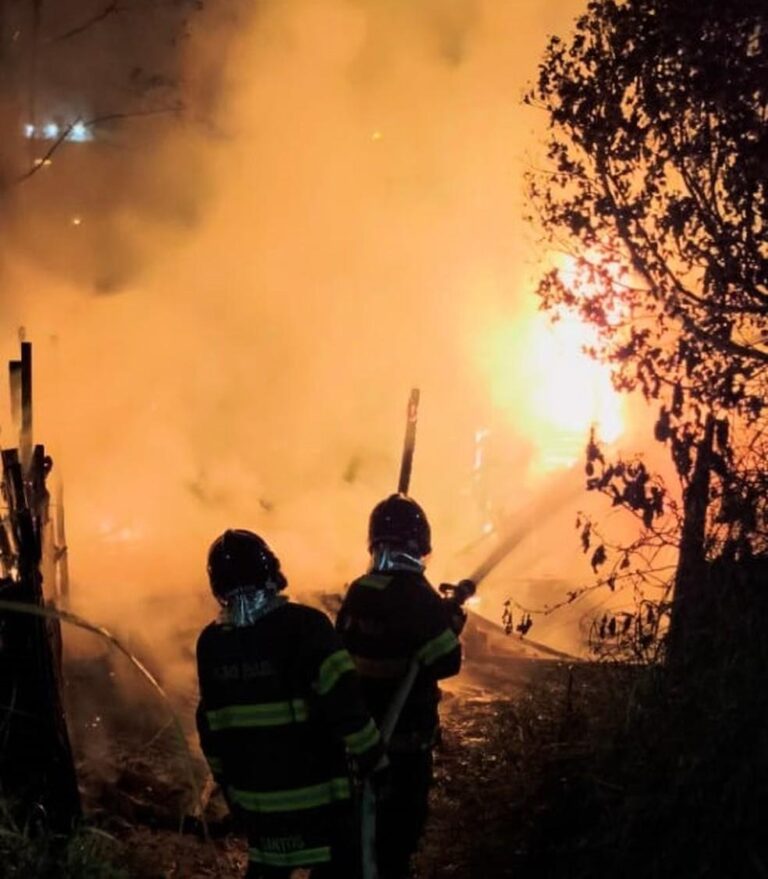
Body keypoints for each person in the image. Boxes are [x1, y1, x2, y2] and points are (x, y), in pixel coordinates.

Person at [196, 529, 382, 878]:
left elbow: (211, 727)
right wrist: (376, 759)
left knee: (267, 869)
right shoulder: (307, 626)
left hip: (259, 808)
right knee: (340, 868)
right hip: (322, 803)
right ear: (272, 573)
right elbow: (347, 704)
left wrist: (232, 790)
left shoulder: (211, 644)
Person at [336, 495, 466, 879]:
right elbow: (446, 660)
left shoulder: (360, 590)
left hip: (361, 744)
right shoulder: (418, 596)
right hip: (404, 747)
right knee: (395, 845)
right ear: (418, 546)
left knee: (356, 839)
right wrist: (450, 626)